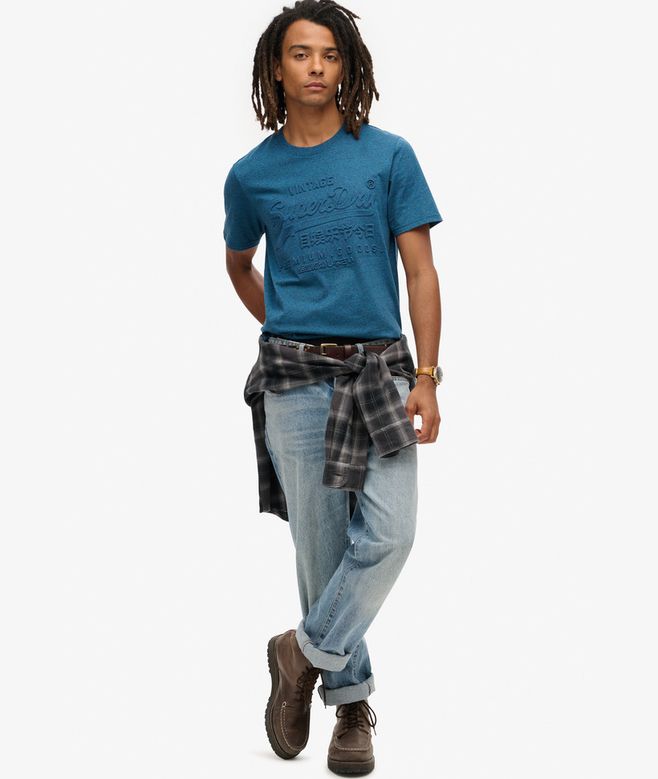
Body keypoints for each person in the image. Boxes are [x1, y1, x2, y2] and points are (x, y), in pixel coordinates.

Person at [223, 1, 444, 774]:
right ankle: (351, 709)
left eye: (330, 54)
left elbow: (421, 272)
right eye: (300, 53)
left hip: (382, 371)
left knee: (389, 535)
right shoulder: (251, 175)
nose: (316, 66)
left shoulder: (389, 157)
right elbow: (238, 265)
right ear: (275, 68)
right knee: (321, 550)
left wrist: (427, 375)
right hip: (293, 380)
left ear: (347, 64)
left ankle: (300, 650)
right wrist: (290, 323)